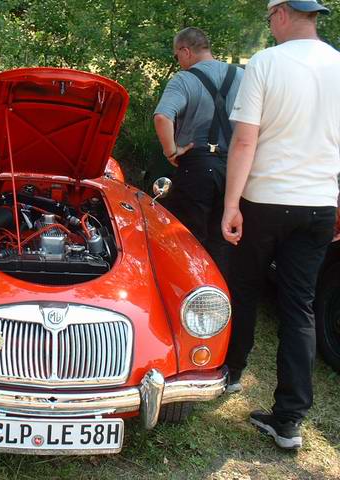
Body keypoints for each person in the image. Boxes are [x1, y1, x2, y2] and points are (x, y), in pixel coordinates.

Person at [221, 0, 340, 450]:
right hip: (319, 205)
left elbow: (245, 139)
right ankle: (289, 420)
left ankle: (231, 373)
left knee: (245, 288)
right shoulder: (339, 64)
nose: (269, 25)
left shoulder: (267, 63)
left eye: (269, 17)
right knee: (299, 307)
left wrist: (231, 203)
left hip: (266, 200)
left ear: (284, 12)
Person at [154, 27, 244, 279]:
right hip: (234, 167)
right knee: (222, 238)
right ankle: (218, 295)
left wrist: (171, 150)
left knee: (189, 236)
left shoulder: (184, 80)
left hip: (196, 167)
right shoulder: (241, 76)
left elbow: (162, 116)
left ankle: (189, 290)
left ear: (185, 51)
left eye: (176, 56)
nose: (178, 61)